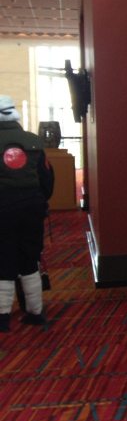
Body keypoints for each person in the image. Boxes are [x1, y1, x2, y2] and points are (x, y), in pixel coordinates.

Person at [0, 95, 54, 332]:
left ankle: (2, 317)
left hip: (3, 209)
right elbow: (47, 179)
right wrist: (40, 202)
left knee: (3, 259)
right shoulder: (34, 141)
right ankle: (35, 312)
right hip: (32, 207)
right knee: (30, 258)